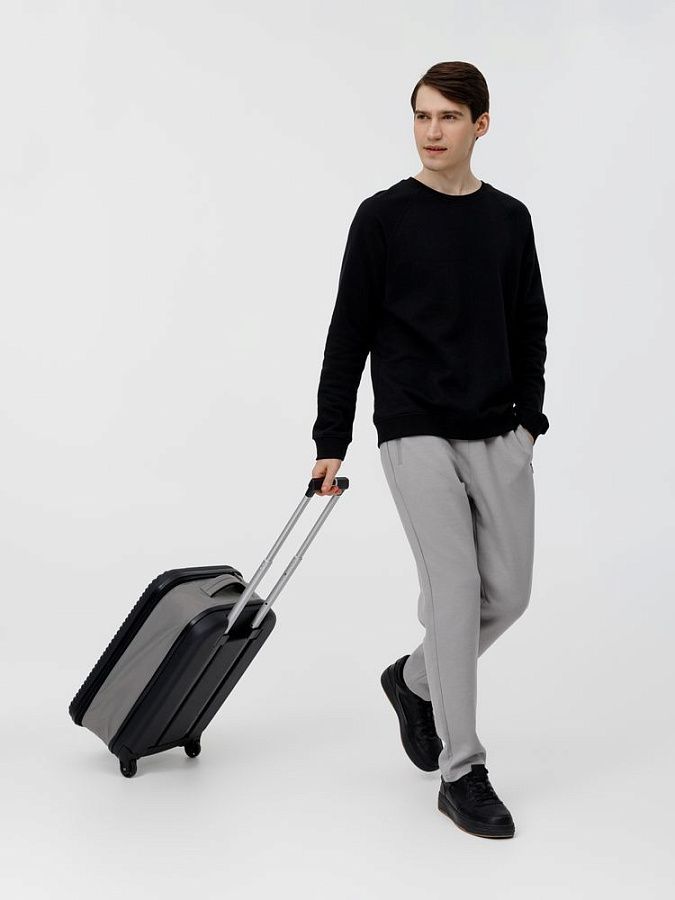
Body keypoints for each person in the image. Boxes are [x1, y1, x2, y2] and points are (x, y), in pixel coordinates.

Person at [310, 60, 549, 840]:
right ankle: (461, 771)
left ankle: (413, 681)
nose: (432, 131)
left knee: (507, 594)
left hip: (497, 428)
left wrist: (527, 423)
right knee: (454, 589)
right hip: (413, 427)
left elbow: (529, 323)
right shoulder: (382, 218)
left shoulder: (508, 218)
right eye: (421, 115)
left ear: (481, 124)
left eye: (448, 116)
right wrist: (331, 438)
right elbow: (347, 333)